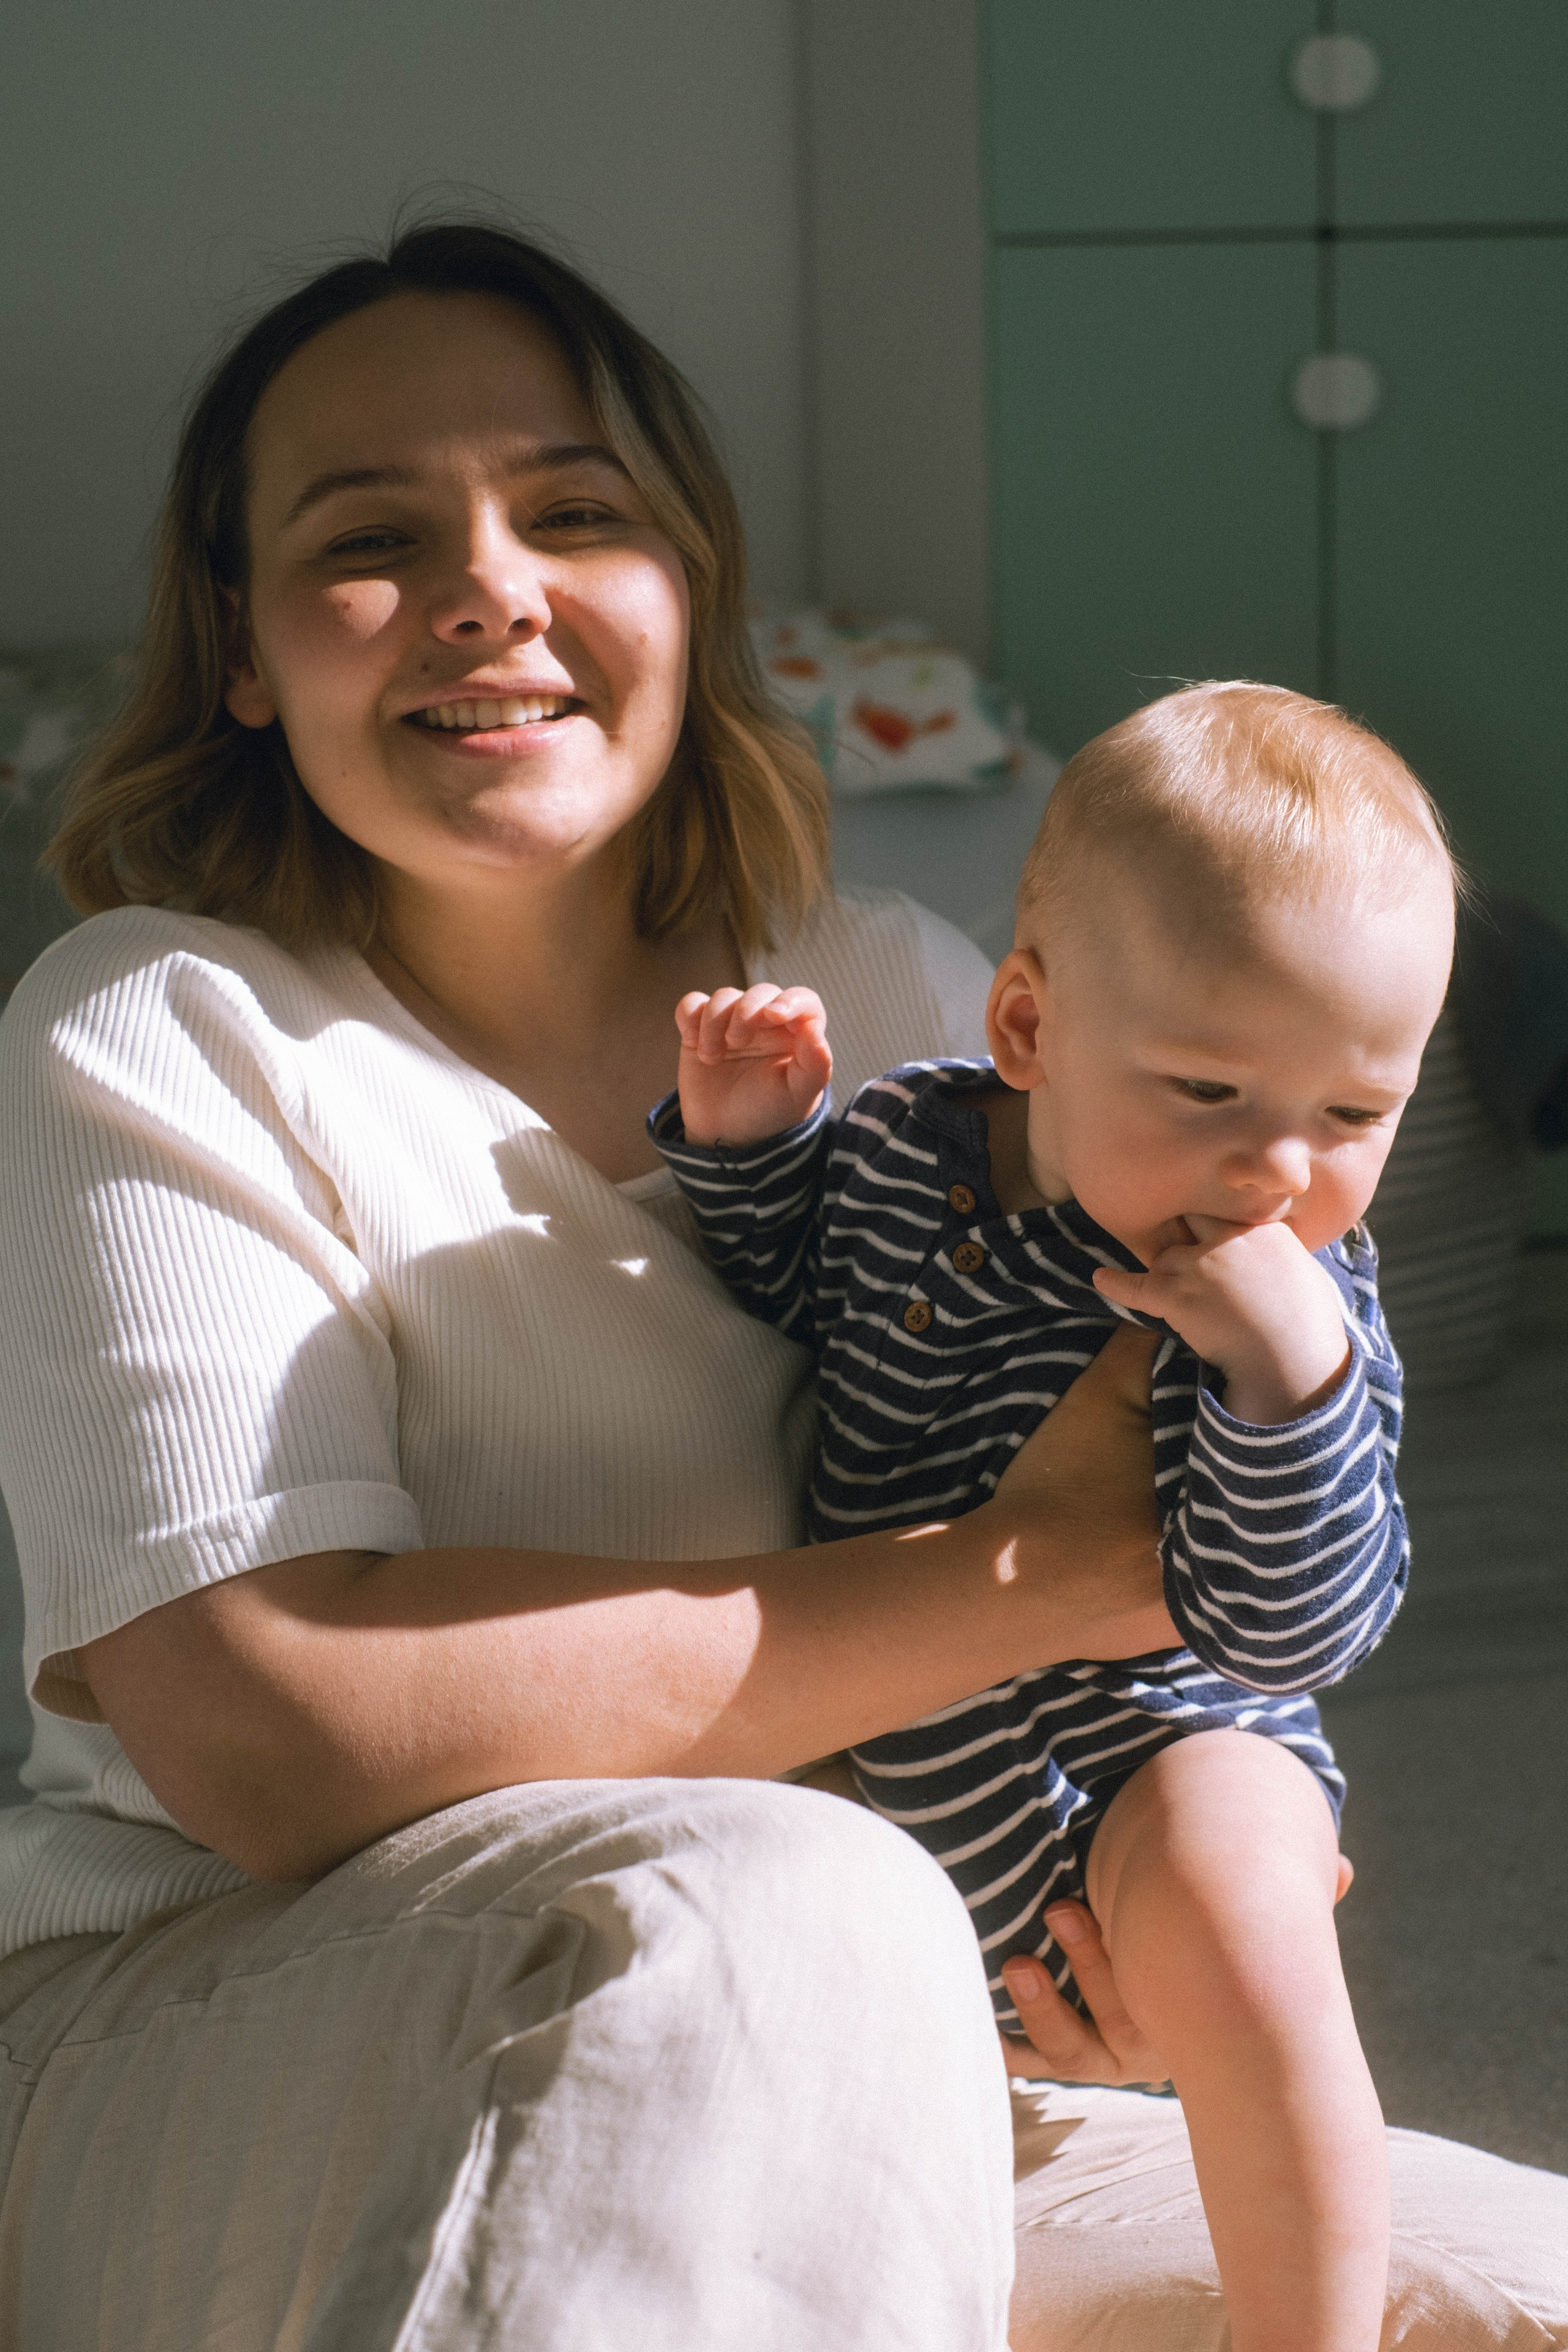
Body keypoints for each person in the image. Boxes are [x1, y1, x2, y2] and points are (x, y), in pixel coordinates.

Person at [0, 222, 1560, 2351]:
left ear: (690, 591)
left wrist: (1120, 1917)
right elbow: (270, 1734)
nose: (489, 586)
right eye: (369, 539)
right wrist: (1046, 1578)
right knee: (785, 1902)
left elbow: (1243, 1544)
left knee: (1492, 2294)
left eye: (576, 510)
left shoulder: (901, 997)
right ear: (245, 647)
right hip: (215, 2001)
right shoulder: (154, 1022)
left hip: (886, 2007)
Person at [654, 681, 1450, 2350]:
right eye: (1210, 1094)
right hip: (906, 1773)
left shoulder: (1301, 1303)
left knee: (1245, 1929)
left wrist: (1283, 1387)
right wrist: (745, 1149)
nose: (1279, 1175)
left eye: (1353, 1115)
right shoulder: (895, 1148)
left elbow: (1304, 1622)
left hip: (1172, 1739)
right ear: (1025, 1030)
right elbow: (787, 1295)